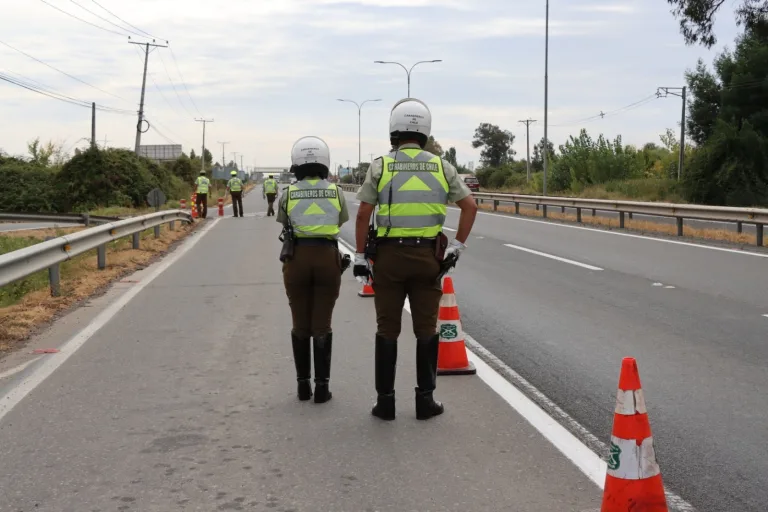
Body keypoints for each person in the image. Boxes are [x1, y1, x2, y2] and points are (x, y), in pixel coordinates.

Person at [353, 98, 478, 421]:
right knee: (426, 329)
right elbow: (470, 206)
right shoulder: (442, 166)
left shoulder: (381, 165)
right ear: (425, 131)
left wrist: (360, 255)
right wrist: (458, 246)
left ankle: (385, 402)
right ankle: (425, 401)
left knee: (387, 329)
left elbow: (364, 213)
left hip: (390, 260)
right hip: (427, 259)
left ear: (394, 130)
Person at [278, 136, 350, 404]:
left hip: (296, 259)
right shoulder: (336, 191)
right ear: (324, 163)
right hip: (327, 258)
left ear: (296, 164)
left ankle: (302, 386)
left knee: (299, 322)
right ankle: (322, 387)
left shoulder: (288, 193)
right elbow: (341, 220)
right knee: (323, 323)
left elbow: (282, 220)